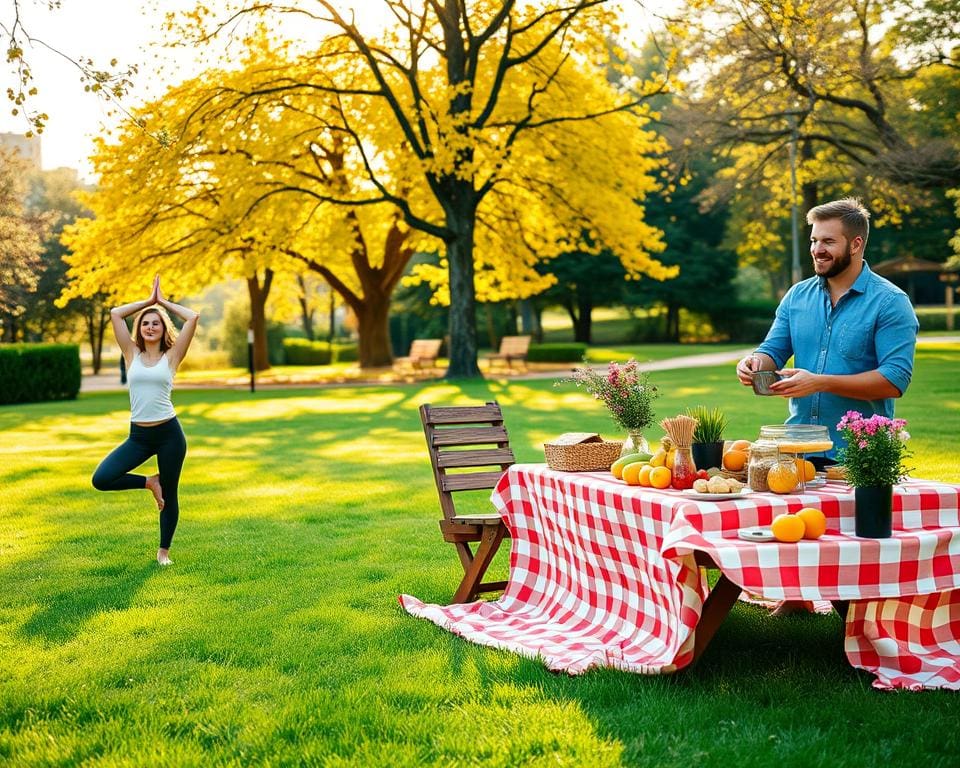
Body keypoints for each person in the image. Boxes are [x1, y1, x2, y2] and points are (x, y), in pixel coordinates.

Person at [735, 197, 918, 615]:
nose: (818, 249)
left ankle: (857, 613)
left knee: (853, 562)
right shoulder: (797, 296)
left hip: (859, 455)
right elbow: (773, 350)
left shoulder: (890, 303)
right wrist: (754, 364)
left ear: (855, 245)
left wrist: (820, 381)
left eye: (828, 241)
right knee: (794, 531)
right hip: (799, 446)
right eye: (815, 239)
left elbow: (894, 380)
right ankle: (796, 598)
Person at [92, 276, 199, 566]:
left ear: (164, 328)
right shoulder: (132, 354)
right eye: (145, 323)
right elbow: (115, 313)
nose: (150, 327)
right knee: (101, 478)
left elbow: (193, 317)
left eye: (156, 323)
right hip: (138, 436)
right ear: (138, 329)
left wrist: (162, 303)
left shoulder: (172, 356)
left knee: (172, 493)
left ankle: (163, 551)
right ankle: (150, 482)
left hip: (169, 435)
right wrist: (148, 302)